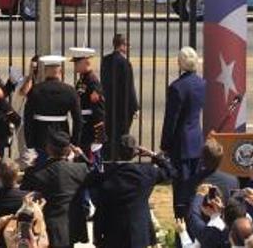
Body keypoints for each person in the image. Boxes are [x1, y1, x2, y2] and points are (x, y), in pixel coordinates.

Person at [87, 134, 173, 248]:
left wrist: (97, 235)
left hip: (113, 232)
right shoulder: (146, 173)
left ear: (116, 152)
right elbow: (171, 172)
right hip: (138, 233)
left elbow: (100, 207)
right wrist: (154, 155)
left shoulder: (106, 176)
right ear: (135, 152)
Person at [18, 131, 89, 248]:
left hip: (48, 226)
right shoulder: (80, 169)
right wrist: (82, 157)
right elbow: (95, 177)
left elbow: (24, 191)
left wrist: (30, 167)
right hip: (72, 225)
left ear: (48, 149)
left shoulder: (38, 173)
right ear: (68, 150)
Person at [161, 47, 205, 218]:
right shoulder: (202, 83)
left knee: (181, 191)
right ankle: (195, 218)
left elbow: (171, 120)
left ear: (180, 63)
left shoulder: (177, 87)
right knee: (194, 188)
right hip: (196, 140)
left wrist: (165, 145)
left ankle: (183, 224)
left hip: (181, 145)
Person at [22, 56, 80, 164]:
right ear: (61, 71)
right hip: (62, 138)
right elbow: (78, 120)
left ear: (45, 71)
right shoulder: (70, 91)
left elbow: (28, 118)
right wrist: (73, 143)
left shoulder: (36, 90)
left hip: (40, 137)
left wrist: (30, 145)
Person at [100, 34, 139, 161]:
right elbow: (129, 87)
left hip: (109, 105)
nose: (129, 47)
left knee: (110, 135)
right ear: (122, 45)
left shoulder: (105, 60)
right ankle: (119, 158)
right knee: (121, 136)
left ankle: (108, 159)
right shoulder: (125, 63)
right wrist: (135, 107)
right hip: (122, 108)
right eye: (127, 44)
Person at [67, 47, 105, 162]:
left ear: (86, 62)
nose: (75, 66)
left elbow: (99, 110)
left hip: (90, 128)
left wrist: (98, 136)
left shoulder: (92, 81)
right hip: (83, 125)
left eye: (77, 62)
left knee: (89, 160)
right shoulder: (82, 80)